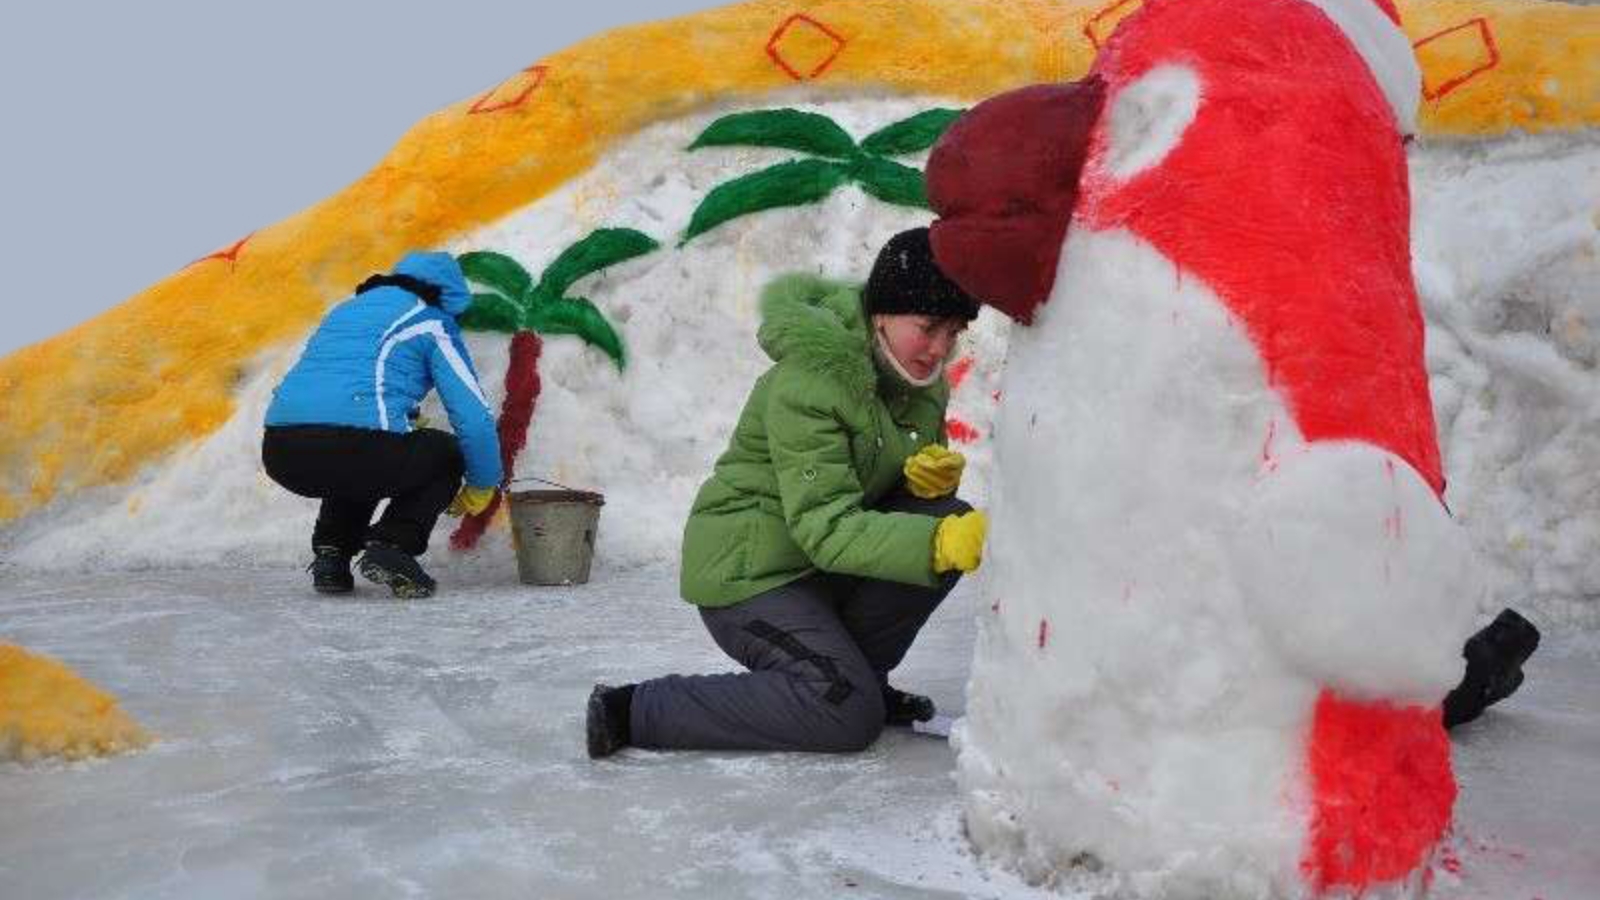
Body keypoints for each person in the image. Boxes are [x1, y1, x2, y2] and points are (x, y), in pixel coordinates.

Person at [585, 227, 989, 757]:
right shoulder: (812, 383)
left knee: (942, 511)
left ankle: (858, 678)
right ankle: (634, 709)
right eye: (929, 327)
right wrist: (936, 541)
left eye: (953, 333)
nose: (939, 349)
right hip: (752, 574)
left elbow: (880, 491)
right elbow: (827, 527)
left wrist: (922, 479)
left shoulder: (920, 382)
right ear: (881, 315)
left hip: (816, 567)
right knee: (845, 713)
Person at [261, 251, 501, 599]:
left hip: (281, 449)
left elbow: (339, 389)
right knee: (442, 452)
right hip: (353, 445)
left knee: (362, 456)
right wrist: (482, 483)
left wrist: (404, 420)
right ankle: (392, 546)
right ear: (448, 297)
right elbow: (473, 416)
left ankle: (332, 555)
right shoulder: (432, 321)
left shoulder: (343, 312)